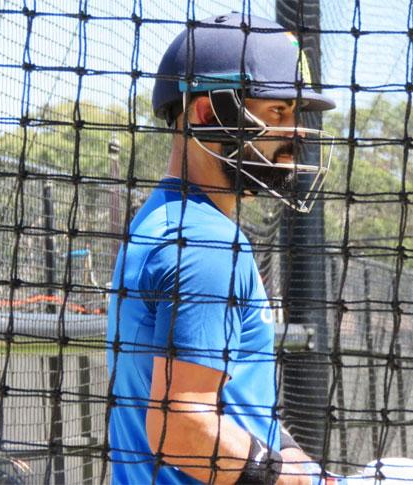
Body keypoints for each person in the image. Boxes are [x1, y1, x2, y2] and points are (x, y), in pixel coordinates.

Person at [106, 12, 336, 484]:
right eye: (278, 112)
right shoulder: (206, 243)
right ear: (208, 114)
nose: (296, 135)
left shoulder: (162, 220)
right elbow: (180, 426)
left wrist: (294, 459)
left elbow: (227, 403)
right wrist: (281, 477)